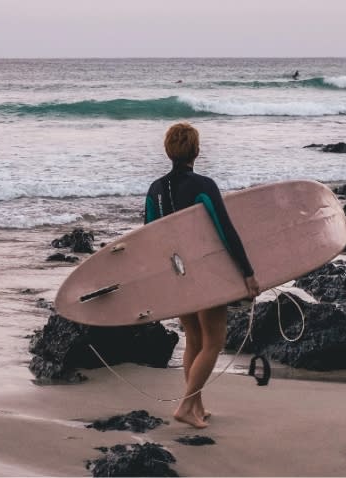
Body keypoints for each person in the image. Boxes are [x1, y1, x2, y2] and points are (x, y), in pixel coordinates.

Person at [144, 123, 260, 428]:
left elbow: (149, 241)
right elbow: (226, 232)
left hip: (176, 276)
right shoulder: (203, 186)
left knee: (194, 340)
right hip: (206, 275)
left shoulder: (154, 190)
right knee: (213, 343)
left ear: (168, 151)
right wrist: (247, 273)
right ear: (196, 151)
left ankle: (196, 406)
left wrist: (159, 283)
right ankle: (184, 406)